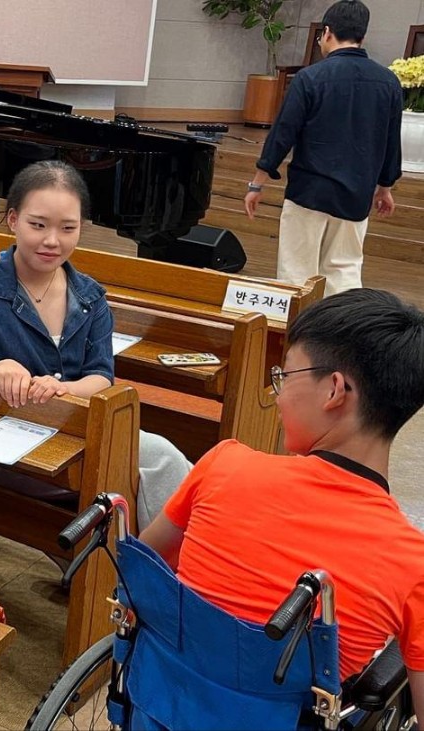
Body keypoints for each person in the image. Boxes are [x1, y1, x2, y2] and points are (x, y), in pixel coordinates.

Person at [140, 289, 424, 709]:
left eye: (286, 376)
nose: (278, 393)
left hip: (162, 701)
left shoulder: (223, 464)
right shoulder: (411, 561)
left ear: (334, 391)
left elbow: (145, 567)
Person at [0, 160, 191, 529]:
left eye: (67, 228)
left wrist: (64, 390)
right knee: (154, 465)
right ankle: (155, 560)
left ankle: (156, 558)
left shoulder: (90, 296)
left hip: (81, 432)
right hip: (8, 446)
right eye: (38, 225)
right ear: (13, 220)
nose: (52, 241)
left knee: (170, 466)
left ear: (81, 229)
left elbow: (101, 377)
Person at [244, 0, 402, 295]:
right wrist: (385, 187)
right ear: (362, 36)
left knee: (297, 274)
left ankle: (299, 326)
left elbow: (282, 134)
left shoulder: (310, 77)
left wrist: (257, 183)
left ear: (327, 32)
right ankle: (342, 326)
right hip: (356, 195)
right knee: (345, 274)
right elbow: (391, 140)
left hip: (310, 191)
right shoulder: (389, 82)